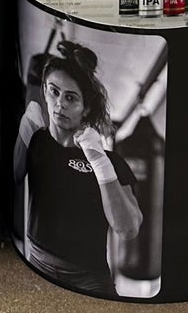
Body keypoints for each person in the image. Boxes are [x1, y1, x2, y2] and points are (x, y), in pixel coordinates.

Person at [13, 38, 144, 296]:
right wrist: (24, 133)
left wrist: (100, 163)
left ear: (86, 109)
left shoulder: (111, 161)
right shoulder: (36, 140)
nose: (59, 104)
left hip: (88, 279)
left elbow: (128, 229)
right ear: (44, 90)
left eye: (71, 98)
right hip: (37, 263)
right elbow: (14, 177)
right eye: (54, 91)